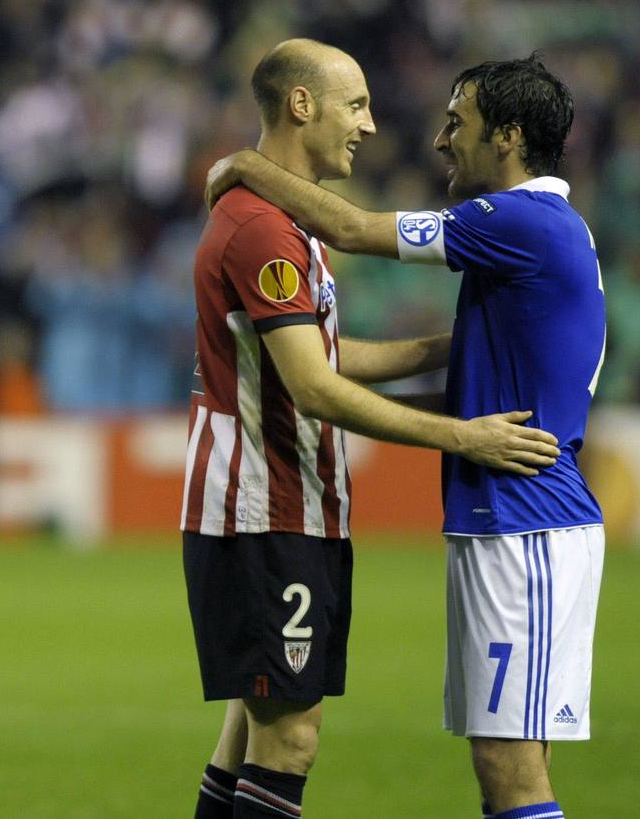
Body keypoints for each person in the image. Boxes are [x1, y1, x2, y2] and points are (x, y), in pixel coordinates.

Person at [206, 54, 605, 819]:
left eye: (459, 122)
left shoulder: (521, 219)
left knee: (510, 770)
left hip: (528, 525)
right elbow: (461, 368)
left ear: (509, 138)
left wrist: (243, 166)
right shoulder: (534, 236)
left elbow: (353, 228)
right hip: (506, 527)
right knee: (509, 764)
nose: (441, 139)